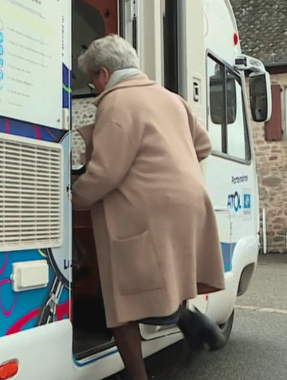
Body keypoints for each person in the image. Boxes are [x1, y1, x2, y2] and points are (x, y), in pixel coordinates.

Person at [71, 34, 227, 380]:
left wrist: (72, 196)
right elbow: (203, 145)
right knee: (166, 277)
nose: (94, 89)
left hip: (145, 210)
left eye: (92, 80)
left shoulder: (116, 103)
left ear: (104, 73)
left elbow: (105, 172)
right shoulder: (170, 98)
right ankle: (191, 322)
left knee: (122, 303)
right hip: (189, 205)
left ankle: (139, 377)